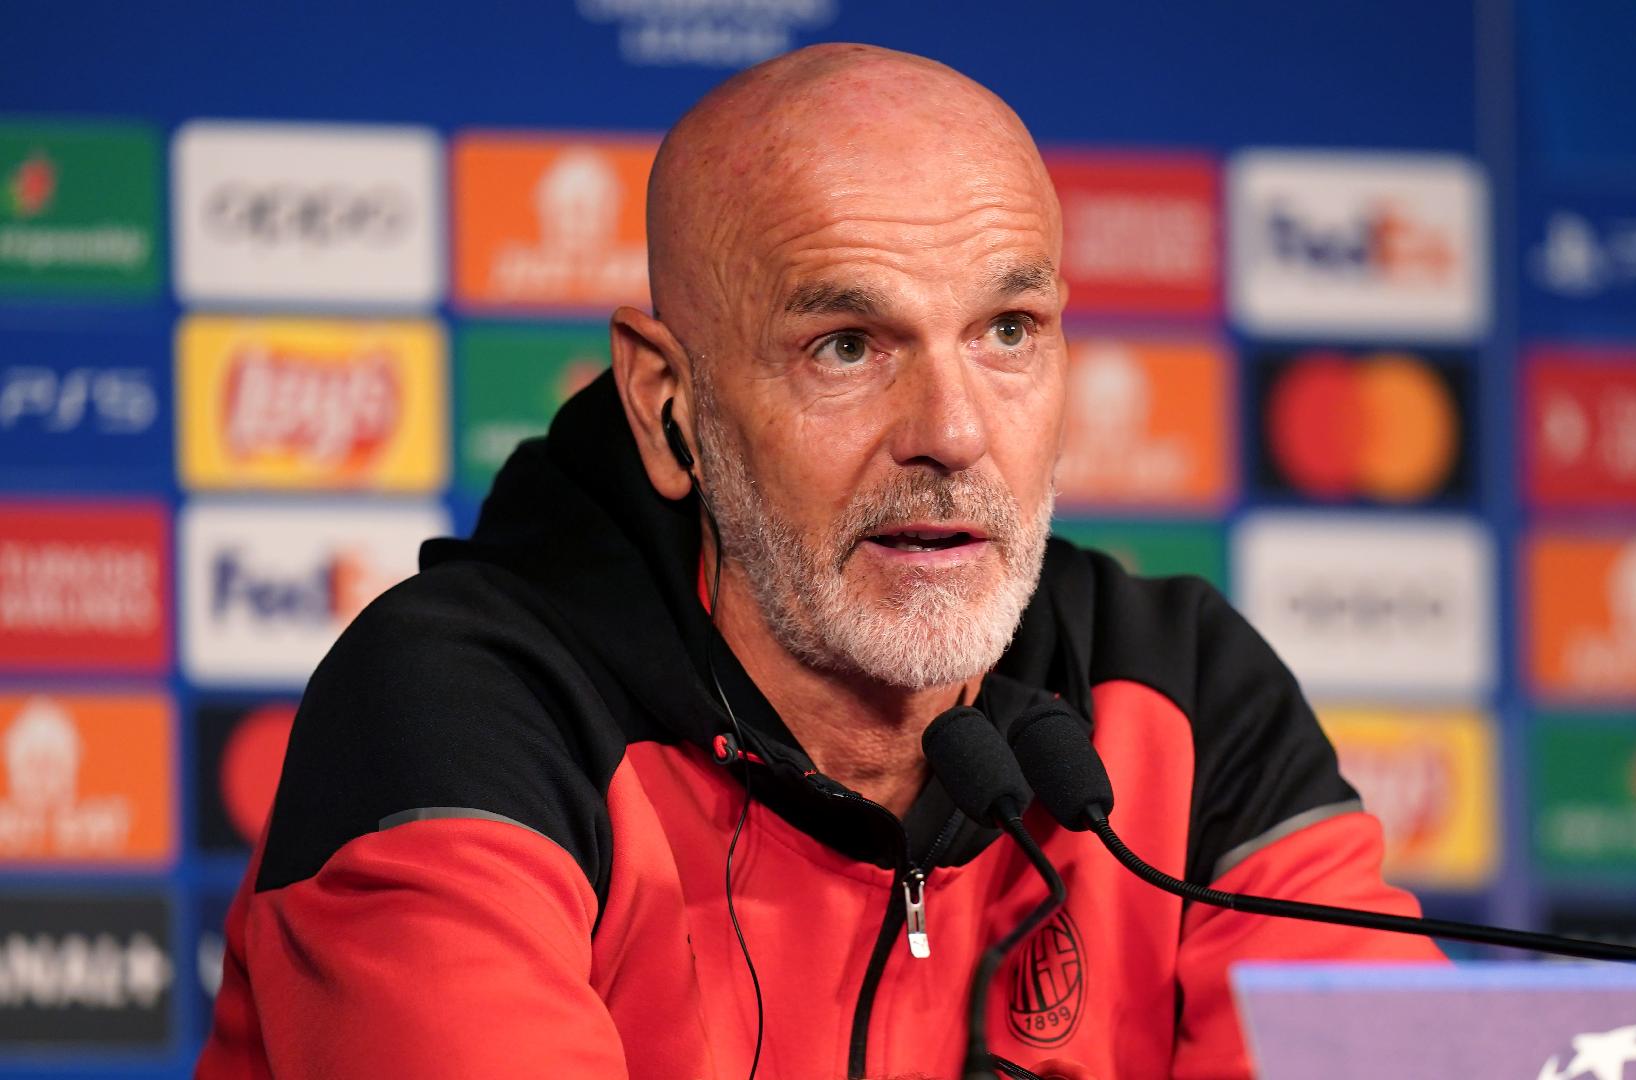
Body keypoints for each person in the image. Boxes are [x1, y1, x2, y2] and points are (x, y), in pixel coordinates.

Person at [197, 42, 1440, 1080]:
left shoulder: (1178, 695)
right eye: (848, 346)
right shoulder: (460, 710)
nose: (953, 433)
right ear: (669, 407)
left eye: (1009, 332)